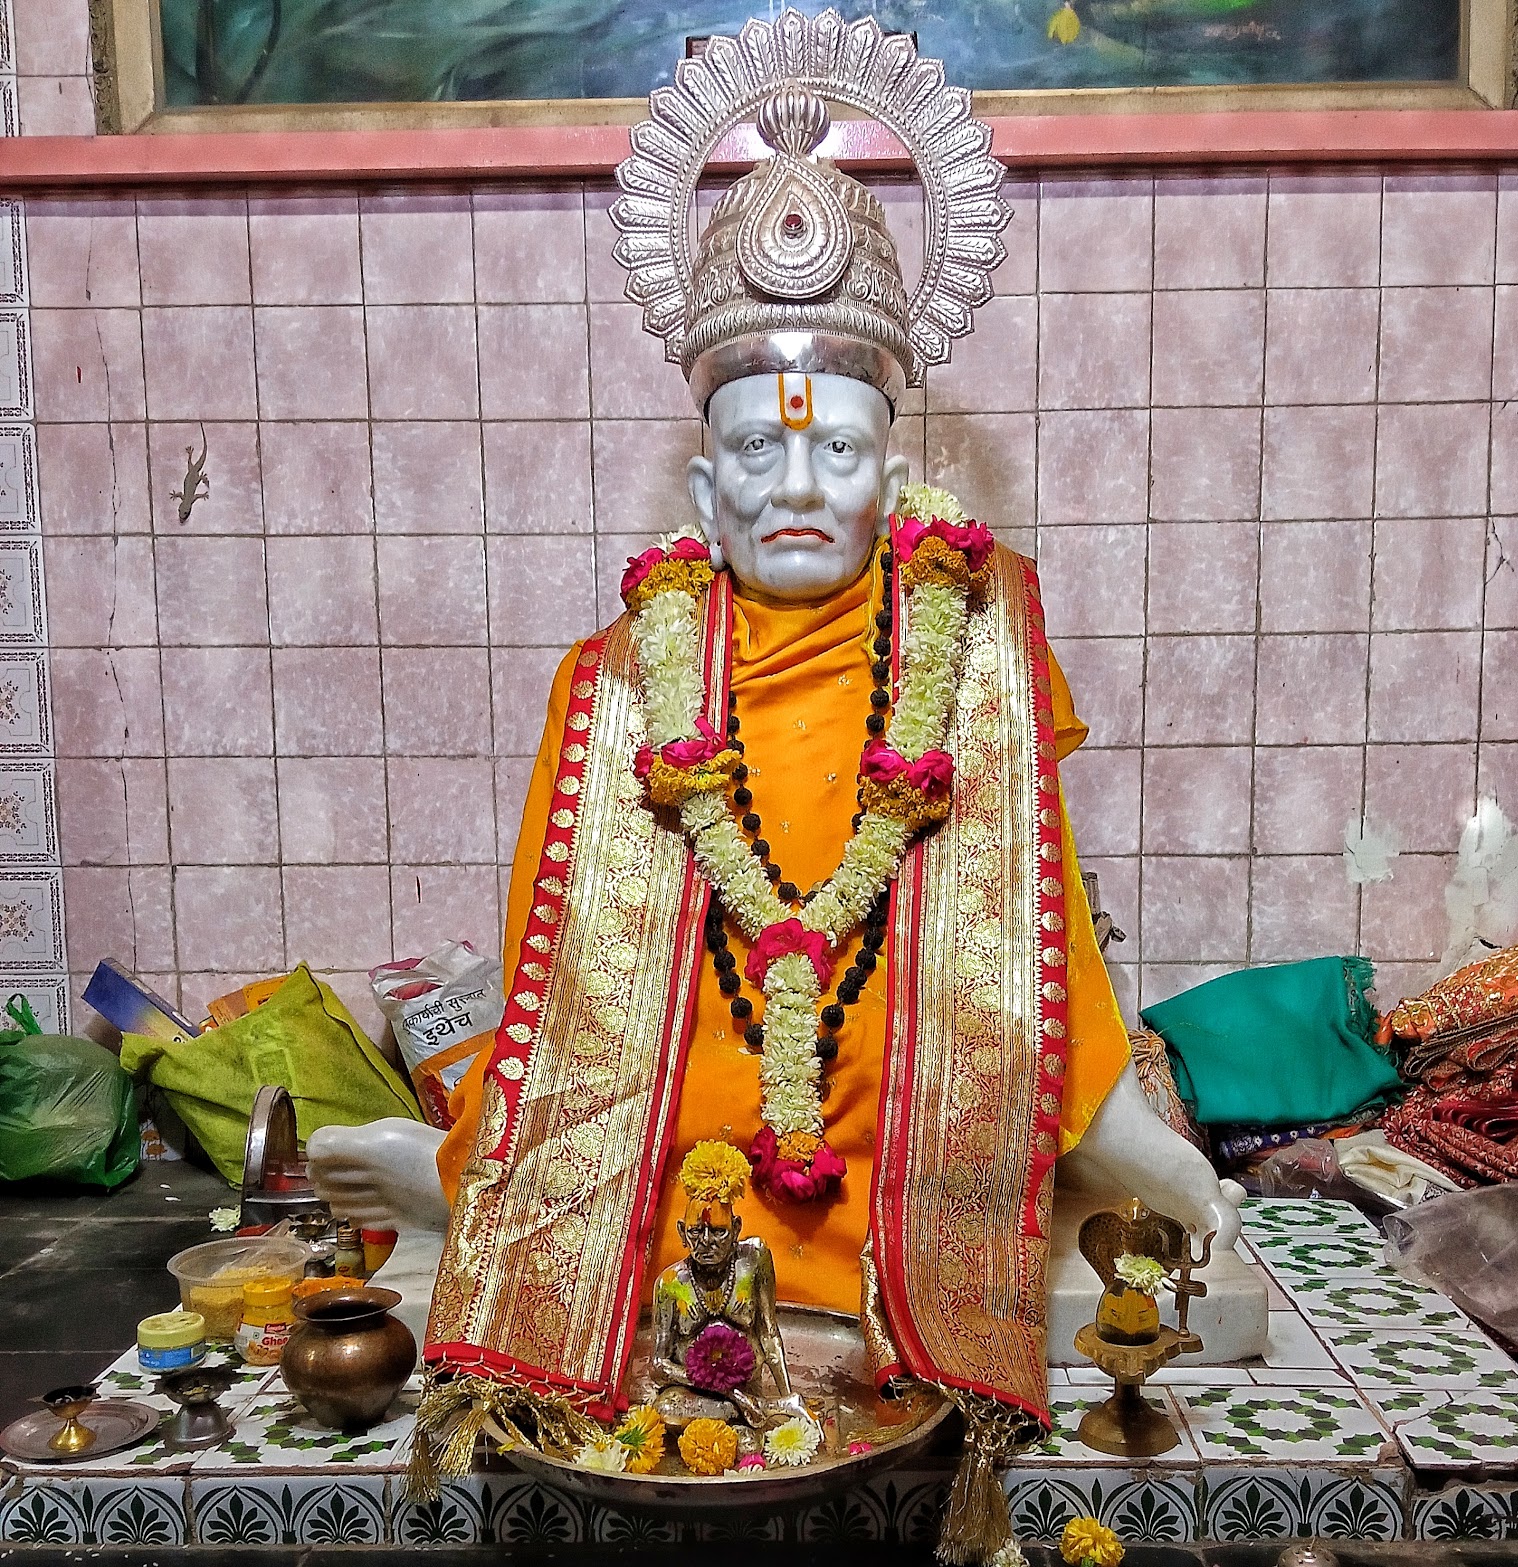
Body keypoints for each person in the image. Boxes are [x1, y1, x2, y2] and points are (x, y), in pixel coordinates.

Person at [310, 31, 1239, 1560]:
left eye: (842, 450)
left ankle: (992, 1192)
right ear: (703, 491)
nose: (799, 485)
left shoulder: (978, 647)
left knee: (1045, 1121)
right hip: (694, 1137)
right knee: (594, 1151)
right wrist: (507, 1149)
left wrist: (1111, 1121)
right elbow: (575, 995)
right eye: (757, 448)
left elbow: (1039, 921)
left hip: (910, 1130)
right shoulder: (614, 681)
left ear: (895, 474)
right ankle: (470, 1181)